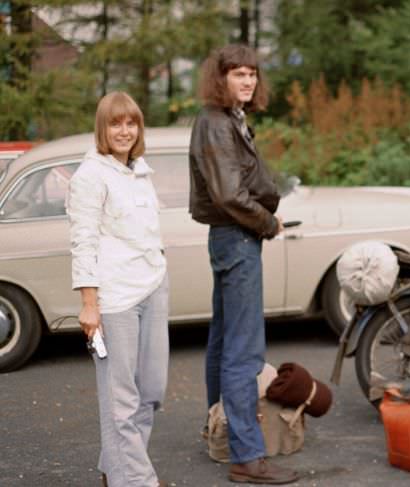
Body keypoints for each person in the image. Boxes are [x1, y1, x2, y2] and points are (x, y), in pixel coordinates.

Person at [188, 44, 298, 485]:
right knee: (243, 349)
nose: (248, 81)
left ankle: (220, 432)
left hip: (232, 237)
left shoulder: (230, 119)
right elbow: (230, 195)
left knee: (222, 341)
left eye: (252, 73)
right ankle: (247, 456)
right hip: (237, 237)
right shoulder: (216, 122)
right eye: (237, 74)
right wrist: (268, 222)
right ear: (221, 79)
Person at [67, 91, 169, 487]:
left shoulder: (140, 172)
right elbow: (83, 242)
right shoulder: (90, 176)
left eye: (131, 123)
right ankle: (137, 480)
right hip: (115, 299)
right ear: (102, 129)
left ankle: (117, 469)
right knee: (121, 401)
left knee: (151, 392)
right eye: (115, 123)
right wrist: (89, 305)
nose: (124, 131)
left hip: (153, 287)